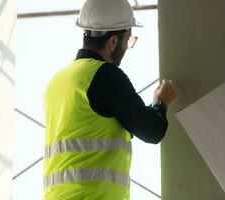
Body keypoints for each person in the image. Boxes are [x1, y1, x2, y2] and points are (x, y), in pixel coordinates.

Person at [42, 0, 177, 199]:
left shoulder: (57, 81)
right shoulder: (105, 76)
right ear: (112, 41)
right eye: (128, 39)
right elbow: (151, 130)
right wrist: (160, 103)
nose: (127, 46)